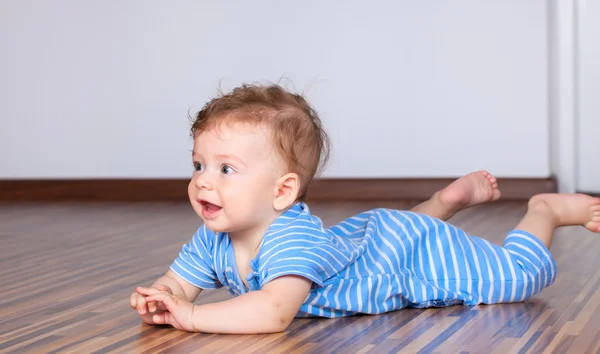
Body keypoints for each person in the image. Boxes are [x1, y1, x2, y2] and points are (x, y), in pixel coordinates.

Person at [130, 83, 600, 334]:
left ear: (282, 191)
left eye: (225, 169)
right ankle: (443, 202)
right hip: (375, 238)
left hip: (412, 260)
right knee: (394, 234)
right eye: (198, 164)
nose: (203, 181)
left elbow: (272, 313)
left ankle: (546, 210)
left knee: (518, 278)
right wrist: (163, 297)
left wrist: (191, 317)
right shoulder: (215, 234)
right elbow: (181, 282)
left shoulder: (292, 240)